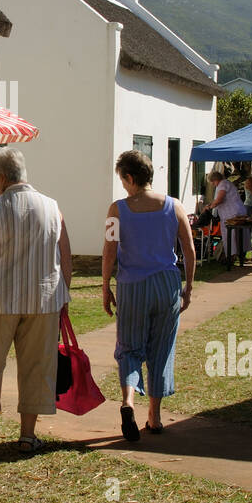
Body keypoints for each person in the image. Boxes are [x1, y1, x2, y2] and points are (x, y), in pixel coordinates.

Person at [0, 149, 72, 455]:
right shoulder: (52, 207)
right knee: (36, 366)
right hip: (43, 300)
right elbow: (65, 256)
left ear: (3, 178)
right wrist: (65, 295)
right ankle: (27, 435)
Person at [103, 150, 195, 441]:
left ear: (130, 178)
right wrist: (189, 286)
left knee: (129, 348)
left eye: (123, 179)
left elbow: (109, 250)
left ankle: (128, 401)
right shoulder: (175, 206)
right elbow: (189, 250)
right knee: (161, 348)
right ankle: (154, 417)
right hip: (166, 284)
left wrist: (105, 285)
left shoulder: (117, 210)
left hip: (132, 286)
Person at [208, 168, 248, 263]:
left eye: (213, 182)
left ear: (215, 180)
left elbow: (219, 199)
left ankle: (231, 256)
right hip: (236, 212)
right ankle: (239, 255)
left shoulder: (223, 184)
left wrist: (210, 206)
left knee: (231, 236)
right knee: (238, 236)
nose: (213, 184)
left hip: (232, 214)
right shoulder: (226, 183)